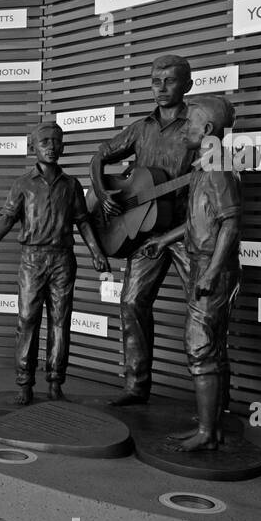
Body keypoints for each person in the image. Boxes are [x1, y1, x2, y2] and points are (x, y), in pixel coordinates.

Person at [89, 53, 198, 407]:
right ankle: (137, 387)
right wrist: (104, 193)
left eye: (170, 81)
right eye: (155, 80)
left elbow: (213, 182)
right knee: (132, 302)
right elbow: (99, 156)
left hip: (186, 231)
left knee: (201, 309)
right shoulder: (140, 129)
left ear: (188, 85)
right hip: (145, 231)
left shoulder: (199, 125)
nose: (161, 88)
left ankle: (209, 402)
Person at [0, 123, 110, 404]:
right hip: (32, 260)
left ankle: (55, 382)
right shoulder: (23, 184)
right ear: (32, 148)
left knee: (61, 322)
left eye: (56, 141)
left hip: (63, 259)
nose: (51, 146)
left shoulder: (72, 185)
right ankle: (24, 382)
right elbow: (8, 217)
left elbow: (83, 222)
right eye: (44, 141)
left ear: (63, 147)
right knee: (27, 321)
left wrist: (97, 252)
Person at [141, 95, 241, 452]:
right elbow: (196, 222)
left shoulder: (217, 169)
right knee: (207, 347)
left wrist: (212, 271)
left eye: (192, 123)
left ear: (209, 130)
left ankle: (208, 432)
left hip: (211, 269)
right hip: (203, 264)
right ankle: (209, 430)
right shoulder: (204, 167)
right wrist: (163, 240)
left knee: (199, 346)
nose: (186, 128)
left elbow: (230, 224)